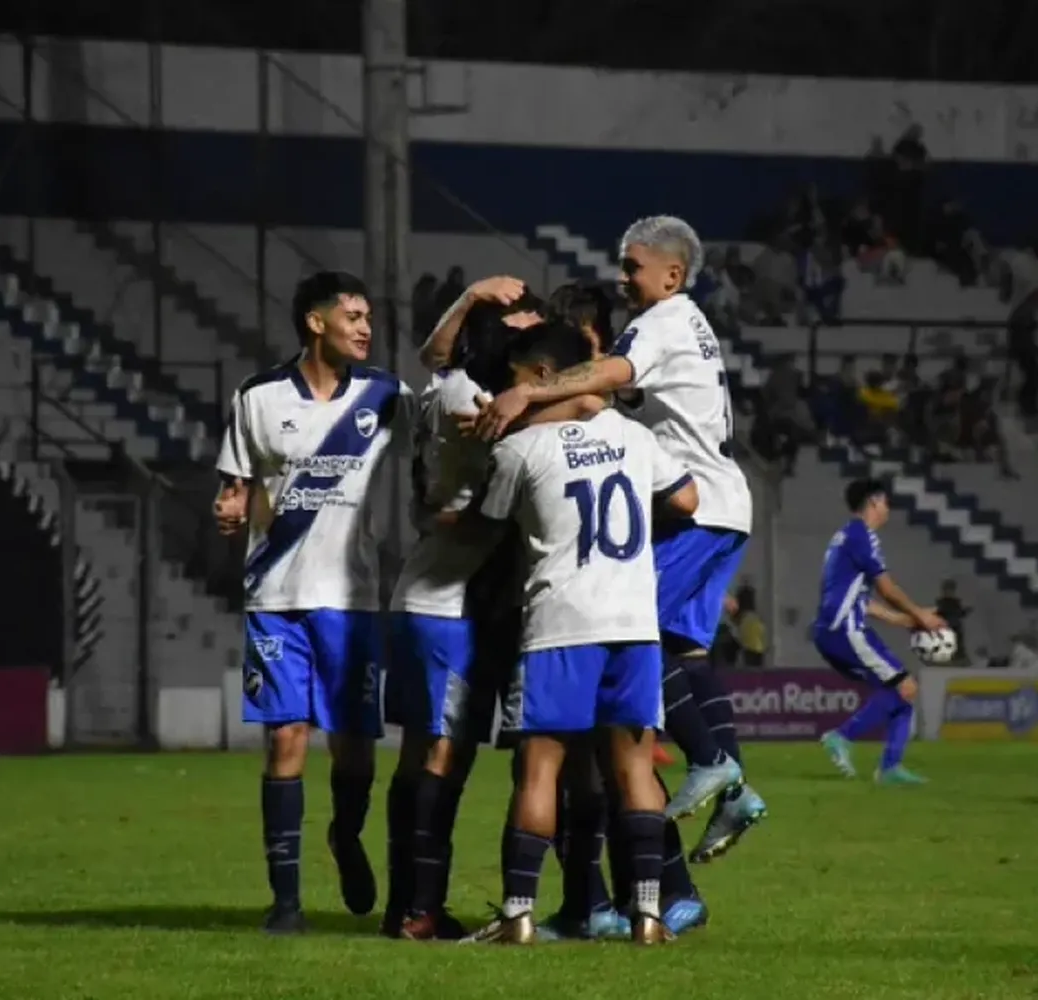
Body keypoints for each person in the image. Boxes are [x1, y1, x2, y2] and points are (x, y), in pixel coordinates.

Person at [473, 215, 764, 866]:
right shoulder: (686, 323)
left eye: (633, 266)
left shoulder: (662, 323)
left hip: (698, 505)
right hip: (719, 504)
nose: (622, 276)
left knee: (635, 631)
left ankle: (713, 761)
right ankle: (734, 787)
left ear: (672, 273)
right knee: (683, 647)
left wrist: (529, 388)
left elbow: (608, 376)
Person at [458, 322, 700, 945]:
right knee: (635, 770)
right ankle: (647, 916)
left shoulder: (520, 452)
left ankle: (517, 917)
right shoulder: (633, 436)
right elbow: (689, 500)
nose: (508, 398)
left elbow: (483, 532)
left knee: (540, 772)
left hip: (560, 625)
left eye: (514, 383)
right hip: (634, 625)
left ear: (542, 377)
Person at [383, 280, 605, 940]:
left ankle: (414, 905)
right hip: (446, 600)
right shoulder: (476, 400)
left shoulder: (454, 383)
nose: (535, 334)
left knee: (449, 756)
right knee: (440, 758)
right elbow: (588, 406)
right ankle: (417, 909)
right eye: (522, 325)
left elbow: (436, 355)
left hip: (471, 599)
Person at [213, 271, 414, 935]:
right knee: (285, 739)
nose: (365, 326)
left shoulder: (387, 395)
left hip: (352, 600)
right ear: (315, 322)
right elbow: (235, 481)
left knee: (355, 750)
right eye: (352, 315)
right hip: (275, 594)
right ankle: (286, 902)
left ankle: (346, 835)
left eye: (368, 316)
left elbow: (435, 446)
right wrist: (231, 501)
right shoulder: (259, 397)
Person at [813, 479, 946, 785]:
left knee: (903, 691)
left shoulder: (843, 537)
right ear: (874, 501)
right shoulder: (863, 535)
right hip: (845, 630)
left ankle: (891, 768)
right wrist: (920, 614)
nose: (887, 510)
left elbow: (863, 599)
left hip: (832, 630)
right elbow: (886, 588)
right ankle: (843, 738)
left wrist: (905, 620)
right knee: (904, 687)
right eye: (886, 503)